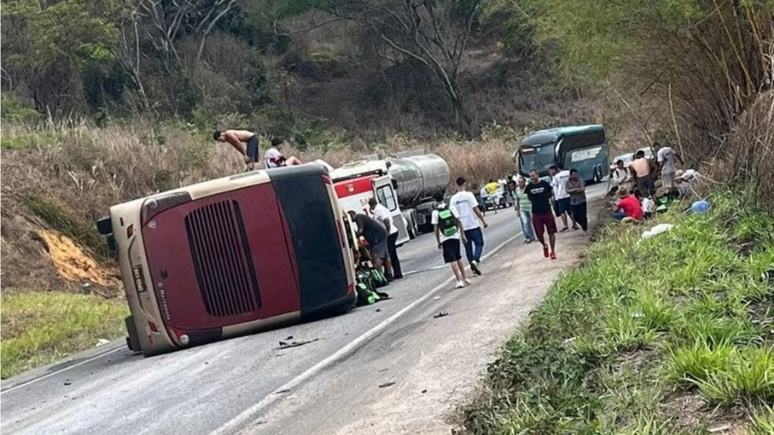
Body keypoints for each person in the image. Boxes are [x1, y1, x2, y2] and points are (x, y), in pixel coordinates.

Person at [431, 192, 470, 289]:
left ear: (435, 201)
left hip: (445, 238)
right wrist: (462, 234)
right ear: (443, 199)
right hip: (455, 236)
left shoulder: (435, 212)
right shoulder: (451, 208)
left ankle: (459, 280)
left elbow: (436, 228)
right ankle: (465, 279)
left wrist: (438, 241)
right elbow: (458, 221)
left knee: (452, 260)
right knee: (458, 258)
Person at [450, 177, 488, 275]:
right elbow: (475, 209)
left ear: (457, 185)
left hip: (462, 227)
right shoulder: (469, 195)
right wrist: (483, 220)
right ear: (465, 184)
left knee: (468, 248)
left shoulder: (453, 199)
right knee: (479, 243)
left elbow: (452, 215)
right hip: (473, 224)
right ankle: (475, 260)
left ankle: (473, 270)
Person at [525, 169, 558, 259]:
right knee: (539, 234)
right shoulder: (529, 187)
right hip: (536, 213)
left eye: (533, 176)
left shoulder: (544, 184)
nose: (532, 178)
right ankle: (544, 245)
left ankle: (553, 251)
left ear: (537, 175)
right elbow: (529, 197)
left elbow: (550, 193)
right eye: (530, 176)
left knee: (551, 232)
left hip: (547, 211)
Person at [369, 197, 402, 280]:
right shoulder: (380, 208)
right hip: (393, 231)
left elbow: (386, 220)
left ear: (371, 206)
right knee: (392, 253)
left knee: (388, 254)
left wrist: (387, 231)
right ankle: (397, 273)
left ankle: (390, 273)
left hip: (390, 233)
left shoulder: (379, 210)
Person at [549, 165, 576, 231]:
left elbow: (554, 186)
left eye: (550, 171)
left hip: (560, 196)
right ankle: (575, 224)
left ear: (555, 170)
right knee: (570, 211)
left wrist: (554, 197)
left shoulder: (556, 176)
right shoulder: (568, 172)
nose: (550, 173)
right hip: (570, 194)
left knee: (562, 212)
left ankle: (565, 226)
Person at [513, 176, 536, 243]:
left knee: (534, 222)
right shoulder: (517, 190)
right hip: (522, 208)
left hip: (530, 207)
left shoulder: (529, 188)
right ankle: (528, 237)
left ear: (524, 182)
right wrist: (518, 209)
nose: (520, 184)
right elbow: (517, 199)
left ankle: (536, 235)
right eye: (519, 182)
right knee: (525, 223)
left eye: (521, 182)